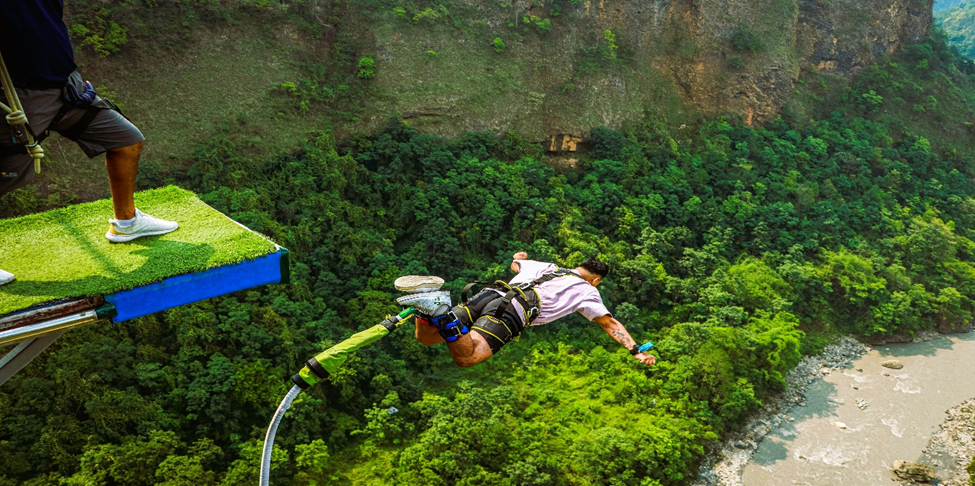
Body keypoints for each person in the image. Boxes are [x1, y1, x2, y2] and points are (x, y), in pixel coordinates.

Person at [0, 1, 178, 286]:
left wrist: (64, 70)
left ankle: (126, 223)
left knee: (126, 141)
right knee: (8, 176)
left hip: (68, 88)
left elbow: (49, 24)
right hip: (22, 96)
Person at [395, 252, 656, 368]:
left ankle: (427, 306)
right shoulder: (589, 291)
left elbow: (516, 263)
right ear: (596, 279)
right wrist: (634, 350)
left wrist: (519, 257)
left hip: (489, 294)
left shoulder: (548, 267)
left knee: (427, 338)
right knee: (467, 357)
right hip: (511, 311)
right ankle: (441, 312)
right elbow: (611, 324)